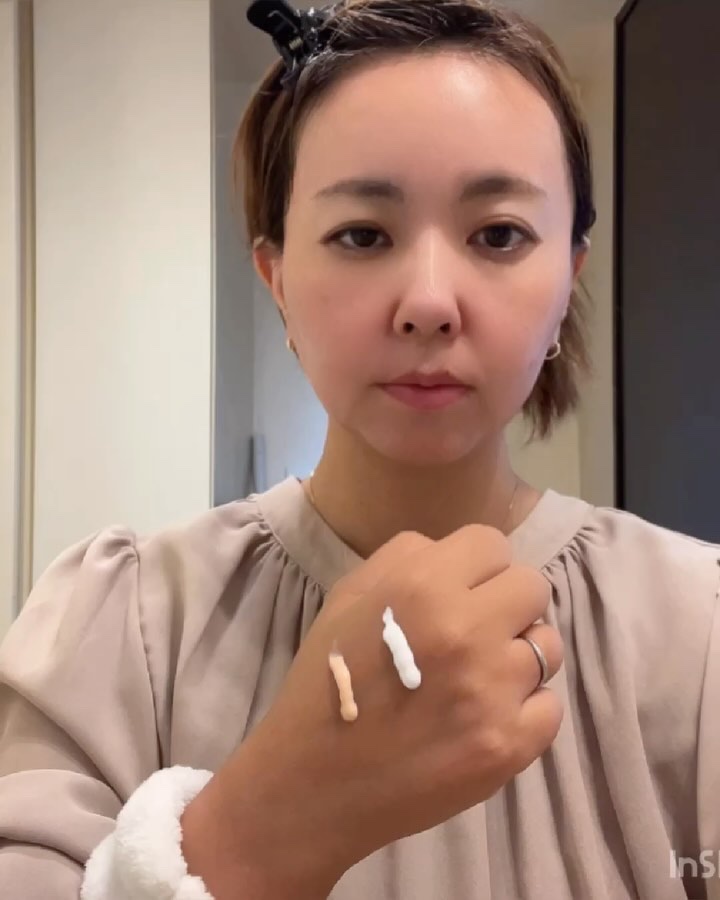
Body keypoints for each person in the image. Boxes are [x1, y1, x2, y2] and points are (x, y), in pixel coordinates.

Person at [1, 0, 719, 897]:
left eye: (499, 234)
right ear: (277, 279)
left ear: (567, 278)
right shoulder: (122, 626)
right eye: (362, 235)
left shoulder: (699, 631)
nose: (429, 302)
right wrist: (271, 822)